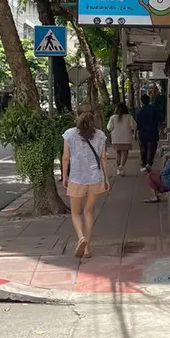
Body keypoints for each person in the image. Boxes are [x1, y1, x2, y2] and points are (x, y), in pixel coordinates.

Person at [61, 104, 110, 259]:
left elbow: (66, 157)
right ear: (93, 115)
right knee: (88, 212)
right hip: (95, 178)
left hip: (77, 178)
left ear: (77, 115)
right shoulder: (101, 135)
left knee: (75, 213)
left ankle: (81, 237)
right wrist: (106, 178)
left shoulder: (69, 134)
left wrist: (65, 176)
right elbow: (103, 158)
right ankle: (87, 248)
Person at [106, 102, 137, 176]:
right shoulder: (129, 117)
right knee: (125, 153)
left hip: (116, 138)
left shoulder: (113, 117)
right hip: (126, 138)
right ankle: (121, 166)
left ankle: (118, 169)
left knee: (118, 153)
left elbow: (109, 128)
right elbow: (134, 126)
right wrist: (134, 133)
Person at [135, 94, 161, 173]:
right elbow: (159, 119)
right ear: (149, 100)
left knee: (143, 148)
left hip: (143, 132)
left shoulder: (139, 112)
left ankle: (144, 163)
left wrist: (135, 133)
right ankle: (149, 163)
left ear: (141, 101)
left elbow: (137, 123)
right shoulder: (154, 109)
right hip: (153, 131)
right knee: (152, 147)